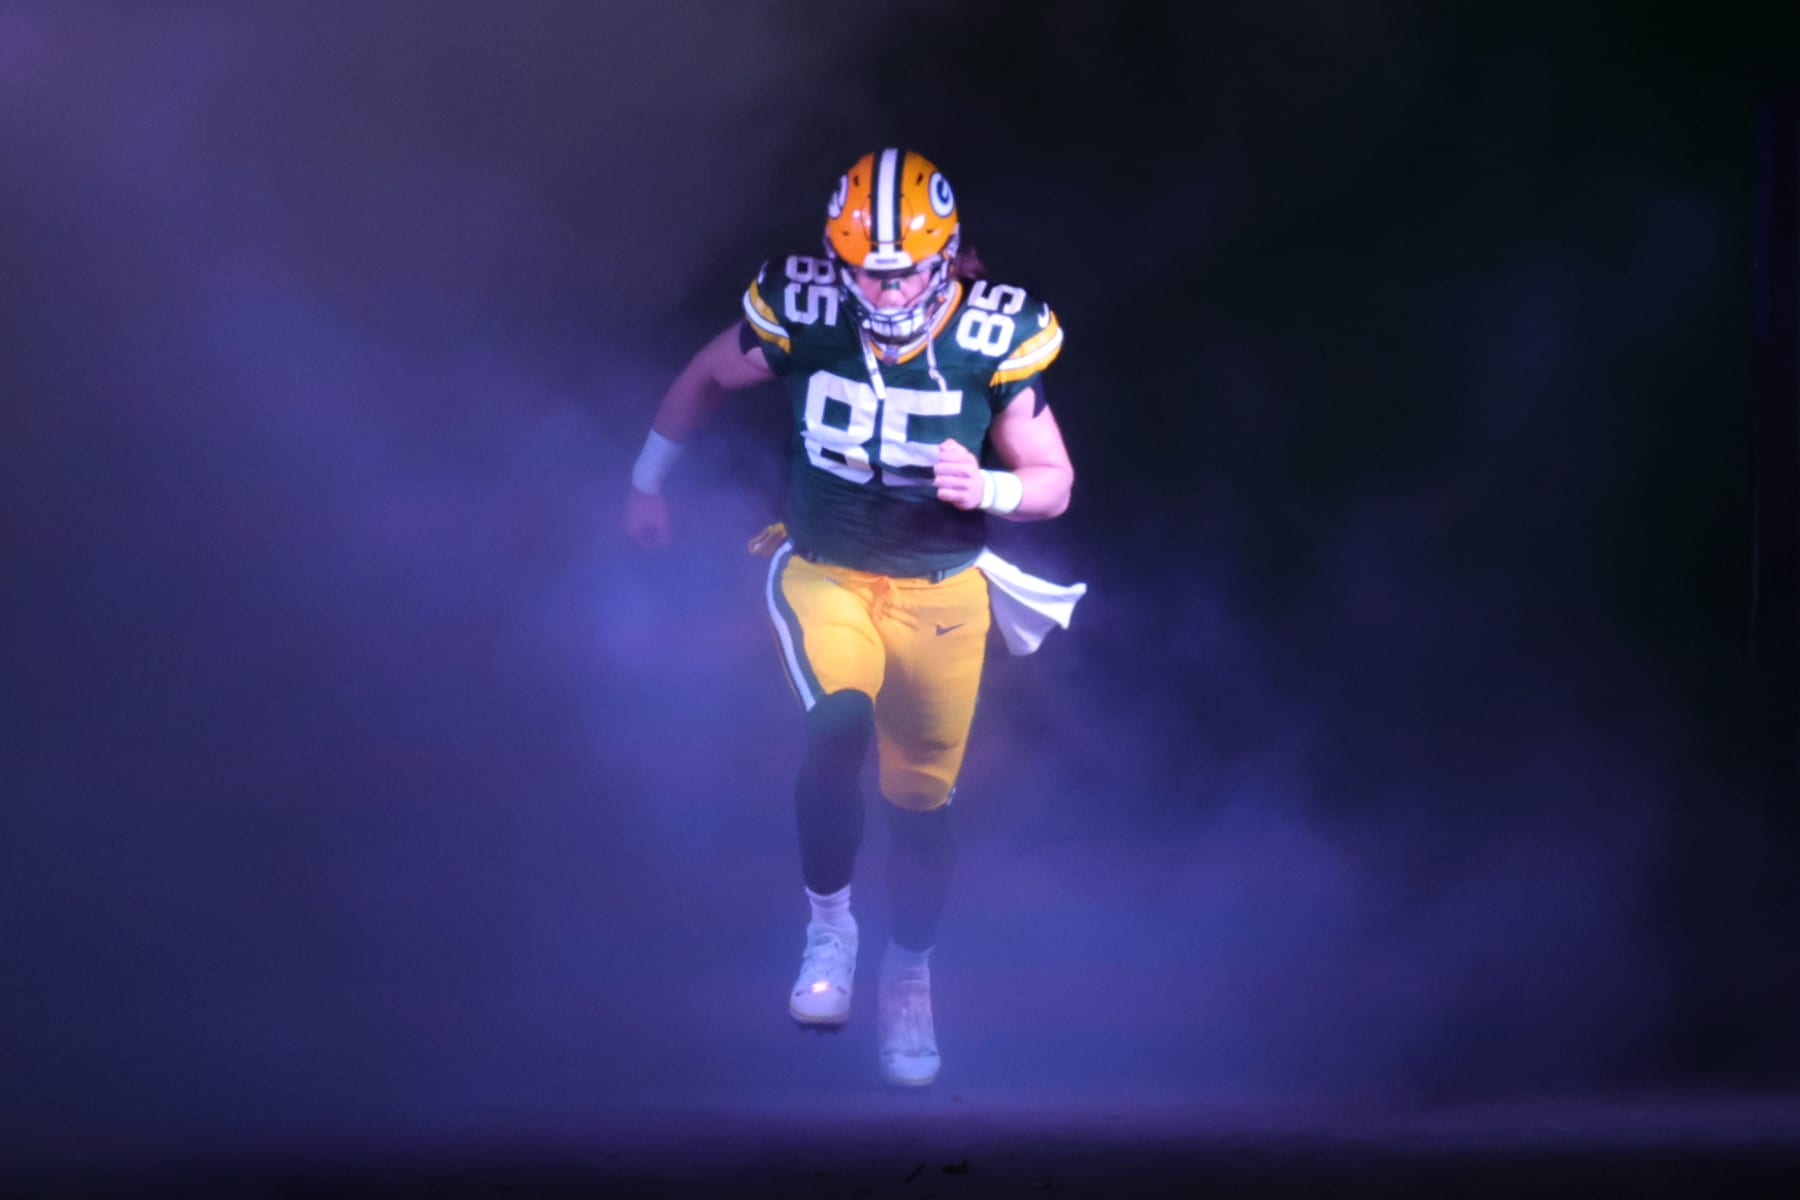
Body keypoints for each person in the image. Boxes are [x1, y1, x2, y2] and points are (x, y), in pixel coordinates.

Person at [623, 148, 1082, 1087]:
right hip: (826, 571)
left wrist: (989, 481)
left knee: (921, 805)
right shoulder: (804, 311)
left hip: (946, 592)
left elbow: (1055, 483)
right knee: (838, 721)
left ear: (946, 255)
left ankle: (907, 975)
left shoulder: (994, 334)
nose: (886, 287)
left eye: (906, 268)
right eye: (868, 269)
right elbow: (708, 374)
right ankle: (828, 931)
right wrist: (646, 480)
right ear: (838, 262)